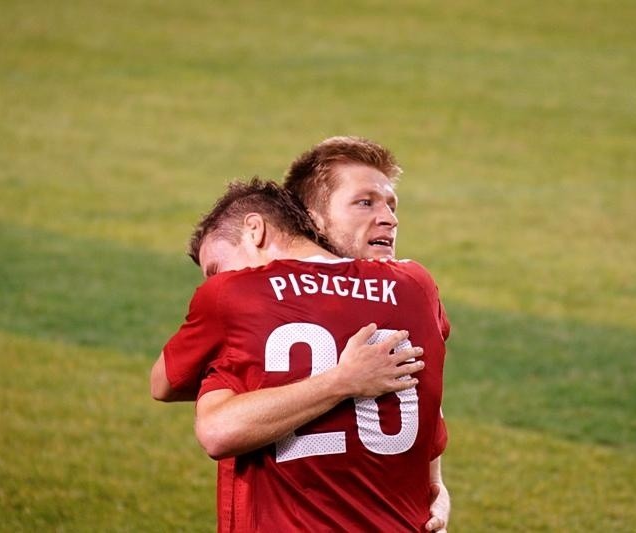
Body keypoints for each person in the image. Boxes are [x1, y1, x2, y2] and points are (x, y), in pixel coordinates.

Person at [151, 136, 451, 531]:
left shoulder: (235, 294)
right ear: (313, 216)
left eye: (215, 268)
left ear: (255, 230)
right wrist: (435, 486)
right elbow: (425, 397)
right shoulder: (417, 286)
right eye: (366, 202)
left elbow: (172, 393)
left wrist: (340, 381)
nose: (390, 218)